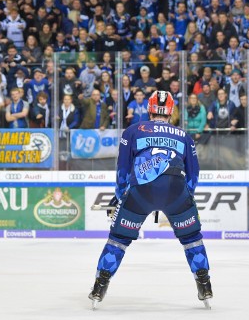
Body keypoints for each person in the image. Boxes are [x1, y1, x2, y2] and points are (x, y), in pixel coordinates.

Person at [89, 91, 212, 309]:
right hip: (176, 192)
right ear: (171, 111)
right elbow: (194, 175)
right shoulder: (184, 136)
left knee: (118, 239)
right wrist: (186, 199)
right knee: (192, 238)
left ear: (150, 109)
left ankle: (100, 285)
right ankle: (204, 284)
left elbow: (123, 170)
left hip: (140, 194)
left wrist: (121, 196)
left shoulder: (133, 131)